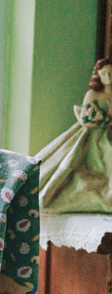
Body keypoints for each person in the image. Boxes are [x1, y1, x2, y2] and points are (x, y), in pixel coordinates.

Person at [36, 58, 112, 213]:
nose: (108, 77)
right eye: (104, 74)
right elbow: (85, 120)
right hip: (93, 138)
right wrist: (101, 121)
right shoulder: (93, 94)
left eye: (111, 73)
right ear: (98, 75)